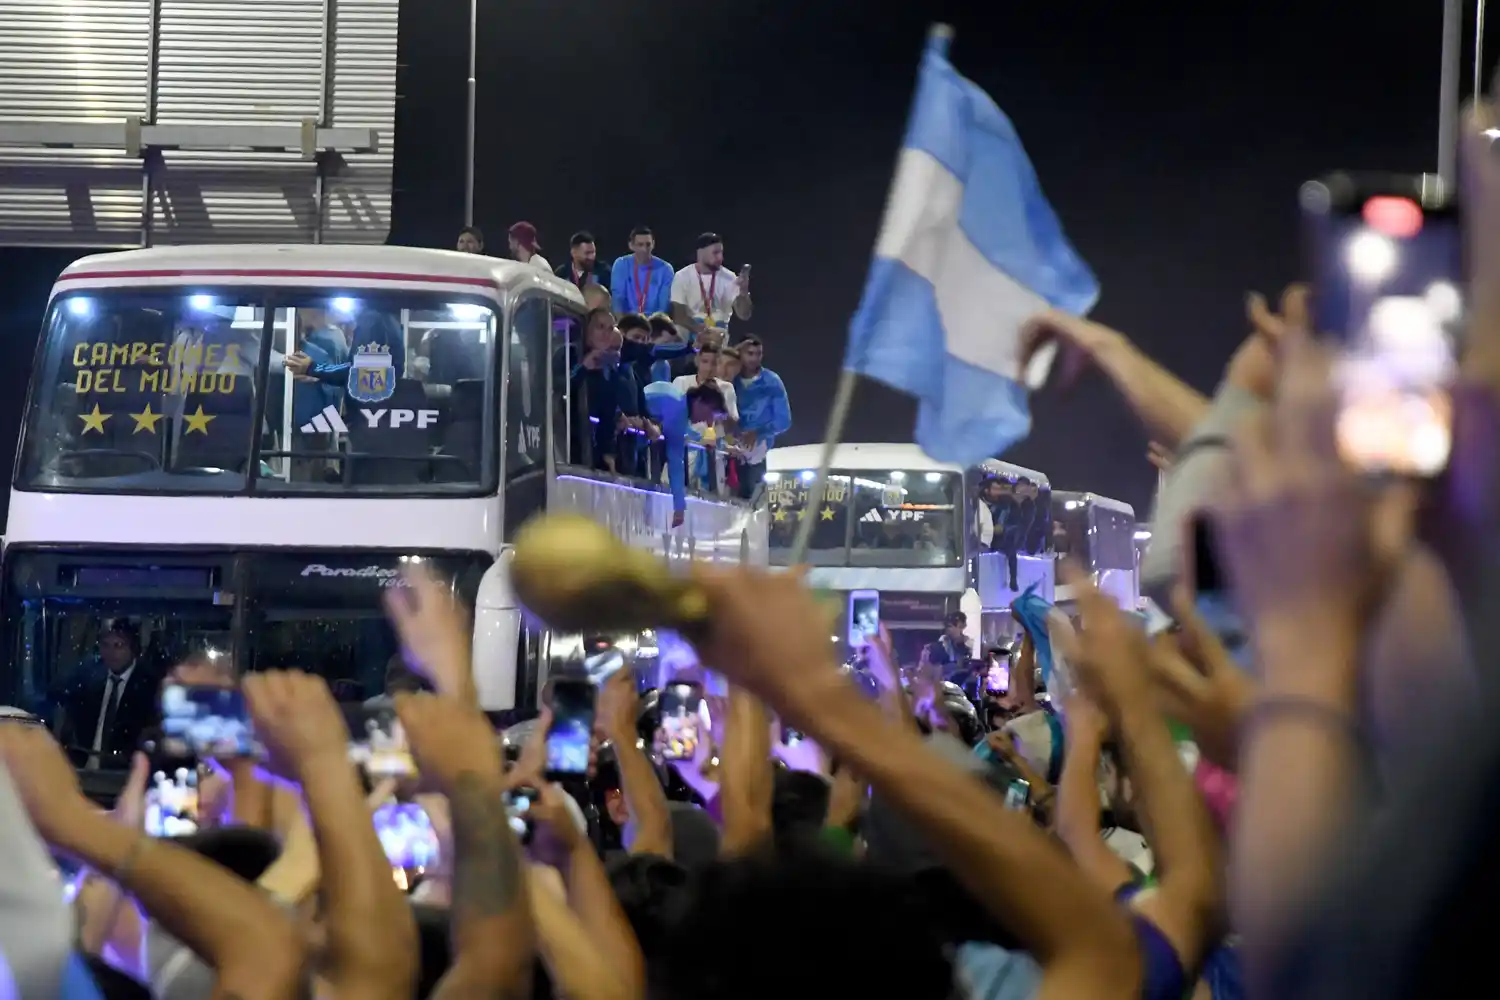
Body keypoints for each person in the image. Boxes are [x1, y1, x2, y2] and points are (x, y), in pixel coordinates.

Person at [53, 622, 161, 770]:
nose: (111, 652)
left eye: (118, 645)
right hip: (83, 774)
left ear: (133, 649)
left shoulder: (151, 687)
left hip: (124, 777)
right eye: (105, 645)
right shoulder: (86, 680)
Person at [643, 380, 729, 528]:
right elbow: (675, 462)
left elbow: (682, 432)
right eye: (709, 413)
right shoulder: (678, 411)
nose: (706, 420)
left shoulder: (677, 399)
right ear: (699, 401)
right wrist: (679, 507)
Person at [729, 335, 791, 499]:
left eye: (758, 354)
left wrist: (757, 433)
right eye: (750, 353)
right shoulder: (730, 379)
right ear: (739, 353)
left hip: (758, 454)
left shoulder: (772, 382)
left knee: (751, 504)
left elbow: (784, 421)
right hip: (728, 450)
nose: (755, 358)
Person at [670, 232, 752, 341]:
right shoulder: (682, 276)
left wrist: (743, 292)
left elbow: (744, 315)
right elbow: (679, 316)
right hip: (692, 329)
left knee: (718, 336)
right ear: (700, 253)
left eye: (721, 253)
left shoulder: (729, 277)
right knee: (679, 331)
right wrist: (700, 330)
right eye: (715, 253)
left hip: (719, 330)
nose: (720, 257)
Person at [611, 225, 674, 317]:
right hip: (627, 320)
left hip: (655, 322)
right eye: (640, 245)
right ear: (631, 245)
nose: (644, 249)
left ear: (653, 244)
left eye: (648, 244)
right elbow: (618, 300)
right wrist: (623, 325)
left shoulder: (665, 269)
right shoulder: (621, 265)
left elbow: (663, 307)